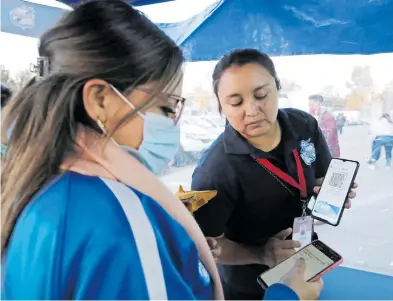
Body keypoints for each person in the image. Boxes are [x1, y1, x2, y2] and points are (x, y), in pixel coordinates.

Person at [0, 3, 318, 300]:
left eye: (262, 95)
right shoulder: (120, 219)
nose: (252, 110)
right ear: (100, 99)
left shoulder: (36, 185)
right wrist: (287, 294)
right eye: (166, 107)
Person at [191, 49, 357, 300]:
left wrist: (331, 194)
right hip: (251, 286)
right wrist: (261, 254)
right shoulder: (213, 172)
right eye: (236, 102)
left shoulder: (304, 125)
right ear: (220, 106)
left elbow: (321, 179)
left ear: (277, 87)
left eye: (261, 95)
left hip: (307, 261)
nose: (252, 110)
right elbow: (209, 247)